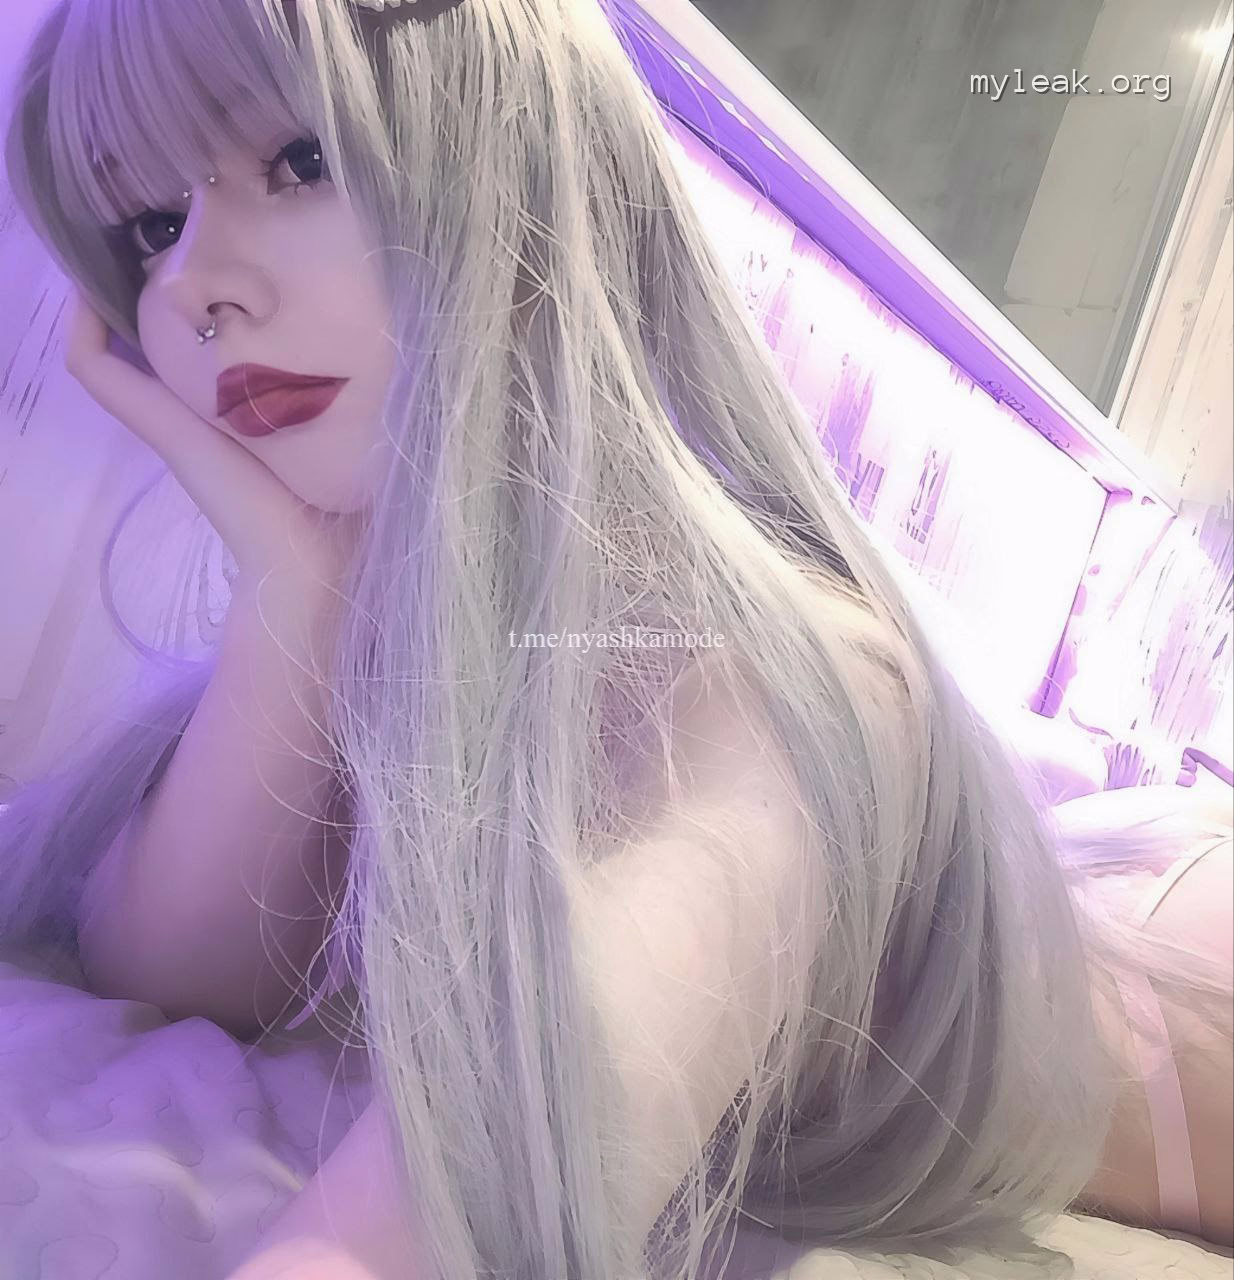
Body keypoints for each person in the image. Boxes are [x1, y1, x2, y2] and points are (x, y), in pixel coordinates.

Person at [0, 1, 1230, 1277]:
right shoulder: (408, 635)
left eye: (302, 158)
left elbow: (450, 1222)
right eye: (149, 227)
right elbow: (170, 978)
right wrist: (294, 591)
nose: (193, 287)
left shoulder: (770, 684)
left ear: (535, 162)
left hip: (1173, 998)